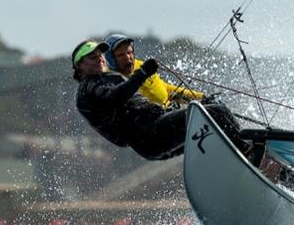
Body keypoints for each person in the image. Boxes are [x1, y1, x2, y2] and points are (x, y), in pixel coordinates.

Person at [71, 39, 247, 161]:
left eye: (100, 54)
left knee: (210, 133)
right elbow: (116, 97)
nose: (100, 59)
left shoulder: (104, 80)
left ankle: (243, 152)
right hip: (151, 135)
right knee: (216, 112)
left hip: (151, 137)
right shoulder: (89, 87)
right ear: (80, 66)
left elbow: (155, 93)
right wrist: (143, 73)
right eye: (93, 57)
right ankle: (248, 151)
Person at [104, 33, 202, 109]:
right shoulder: (112, 80)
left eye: (129, 52)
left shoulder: (141, 66)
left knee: (212, 108)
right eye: (121, 55)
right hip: (152, 126)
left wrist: (200, 98)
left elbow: (166, 90)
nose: (128, 58)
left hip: (171, 113)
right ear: (111, 59)